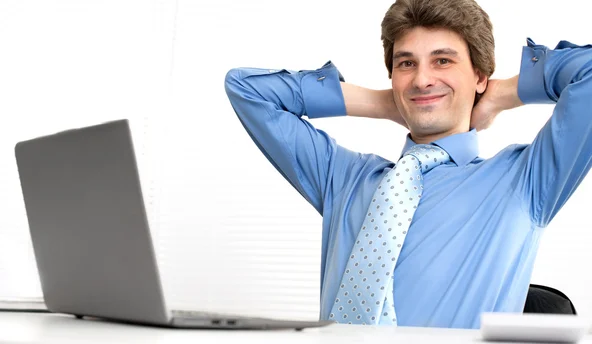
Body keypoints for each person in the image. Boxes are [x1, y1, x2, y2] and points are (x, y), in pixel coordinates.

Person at [223, 0, 592, 329]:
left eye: (442, 60)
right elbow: (246, 90)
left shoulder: (525, 180)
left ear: (479, 76)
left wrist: (501, 95)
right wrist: (386, 103)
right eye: (406, 64)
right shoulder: (344, 177)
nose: (422, 79)